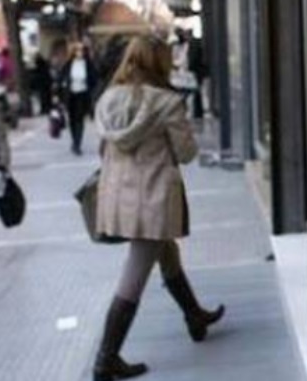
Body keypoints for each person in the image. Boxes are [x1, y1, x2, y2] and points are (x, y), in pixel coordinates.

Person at [92, 35, 224, 381]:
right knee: (134, 276)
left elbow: (103, 150)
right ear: (160, 62)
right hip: (152, 196)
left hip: (119, 197)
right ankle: (106, 360)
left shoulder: (108, 98)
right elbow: (186, 153)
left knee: (167, 252)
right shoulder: (166, 102)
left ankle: (194, 315)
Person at [60, 42, 96, 155]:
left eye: (82, 50)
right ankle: (74, 140)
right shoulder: (68, 64)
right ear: (73, 52)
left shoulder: (88, 64)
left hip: (83, 94)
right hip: (71, 94)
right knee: (72, 119)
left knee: (79, 119)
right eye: (77, 50)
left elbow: (94, 78)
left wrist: (89, 84)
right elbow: (61, 78)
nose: (80, 52)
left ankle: (77, 144)